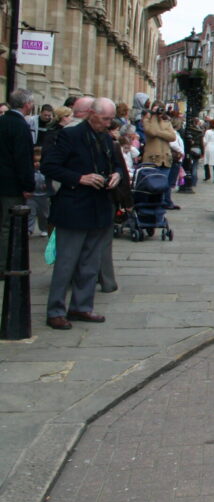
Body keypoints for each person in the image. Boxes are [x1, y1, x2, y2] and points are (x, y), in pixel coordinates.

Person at [41, 98, 126, 330]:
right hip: (74, 207)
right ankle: (56, 311)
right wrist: (80, 178)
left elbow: (116, 164)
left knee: (90, 263)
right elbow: (49, 166)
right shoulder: (70, 136)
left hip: (99, 207)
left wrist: (116, 174)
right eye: (105, 119)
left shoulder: (107, 138)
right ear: (91, 114)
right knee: (66, 263)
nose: (109, 124)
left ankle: (81, 306)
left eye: (111, 120)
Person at [0, 89, 36, 261]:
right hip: (12, 185)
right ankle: (5, 265)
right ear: (27, 104)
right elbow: (23, 159)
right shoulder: (20, 126)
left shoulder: (2, 121)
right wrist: (28, 186)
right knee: (9, 225)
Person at [29, 146, 52, 237]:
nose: (37, 164)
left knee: (44, 214)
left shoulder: (45, 171)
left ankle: (44, 228)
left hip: (44, 195)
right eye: (35, 162)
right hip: (32, 194)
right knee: (31, 213)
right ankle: (29, 229)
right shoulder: (31, 171)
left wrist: (47, 185)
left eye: (39, 162)